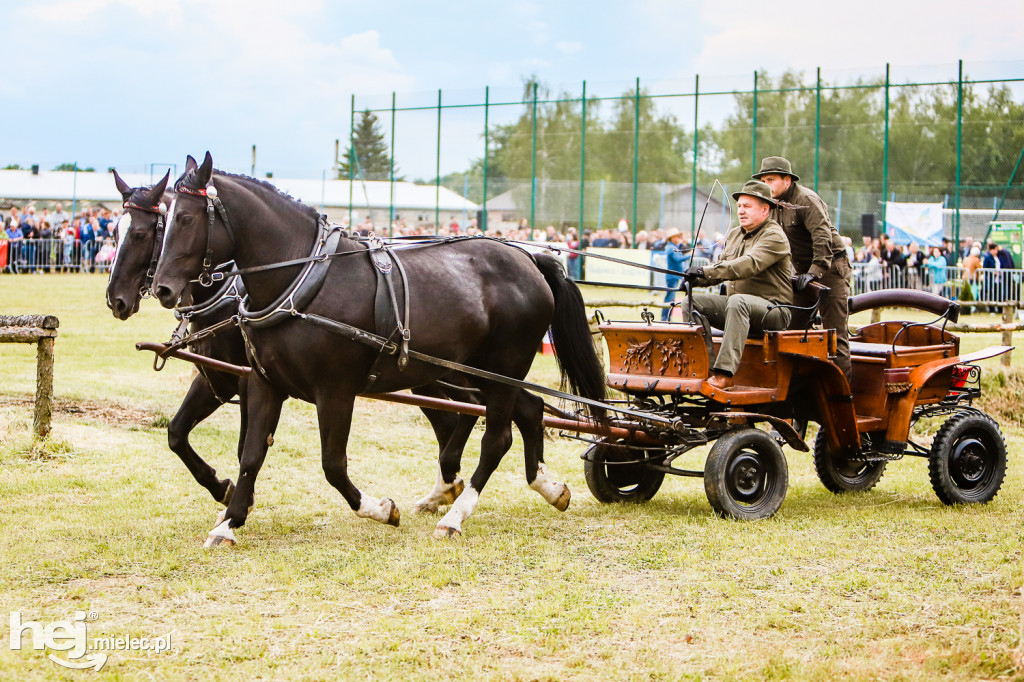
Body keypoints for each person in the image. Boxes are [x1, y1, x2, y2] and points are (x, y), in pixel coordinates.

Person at [681, 180, 793, 390]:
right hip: (739, 309)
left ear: (765, 209)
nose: (741, 211)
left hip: (774, 311)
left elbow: (747, 265)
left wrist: (705, 270)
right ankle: (705, 368)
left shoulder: (774, 236)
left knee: (737, 301)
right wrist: (695, 279)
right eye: (739, 206)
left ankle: (724, 374)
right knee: (690, 302)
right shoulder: (734, 235)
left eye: (747, 206)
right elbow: (720, 270)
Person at [754, 156, 853, 379]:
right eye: (763, 180)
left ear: (787, 180)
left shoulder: (806, 199)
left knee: (835, 336)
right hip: (802, 272)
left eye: (771, 180)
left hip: (830, 269)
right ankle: (795, 396)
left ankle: (845, 402)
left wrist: (815, 272)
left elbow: (822, 236)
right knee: (790, 332)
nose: (766, 185)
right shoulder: (770, 205)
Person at [661, 227, 687, 321]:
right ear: (673, 238)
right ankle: (665, 318)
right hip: (672, 276)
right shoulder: (671, 248)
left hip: (672, 276)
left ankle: (666, 318)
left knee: (670, 298)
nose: (679, 238)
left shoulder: (671, 247)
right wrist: (690, 255)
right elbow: (678, 259)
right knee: (670, 298)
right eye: (677, 237)